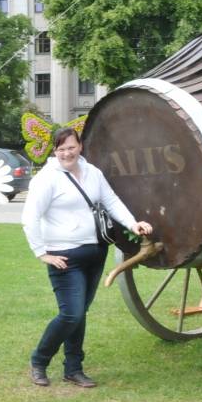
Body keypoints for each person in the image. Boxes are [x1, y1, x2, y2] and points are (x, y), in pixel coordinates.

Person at [22, 127, 152, 388]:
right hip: (64, 256)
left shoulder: (93, 173)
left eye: (71, 147)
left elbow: (111, 201)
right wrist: (42, 254)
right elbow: (29, 218)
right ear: (54, 151)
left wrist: (132, 223)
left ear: (80, 146)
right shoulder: (47, 179)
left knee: (81, 313)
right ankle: (39, 360)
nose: (66, 153)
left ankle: (73, 368)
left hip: (95, 252)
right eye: (60, 150)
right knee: (71, 314)